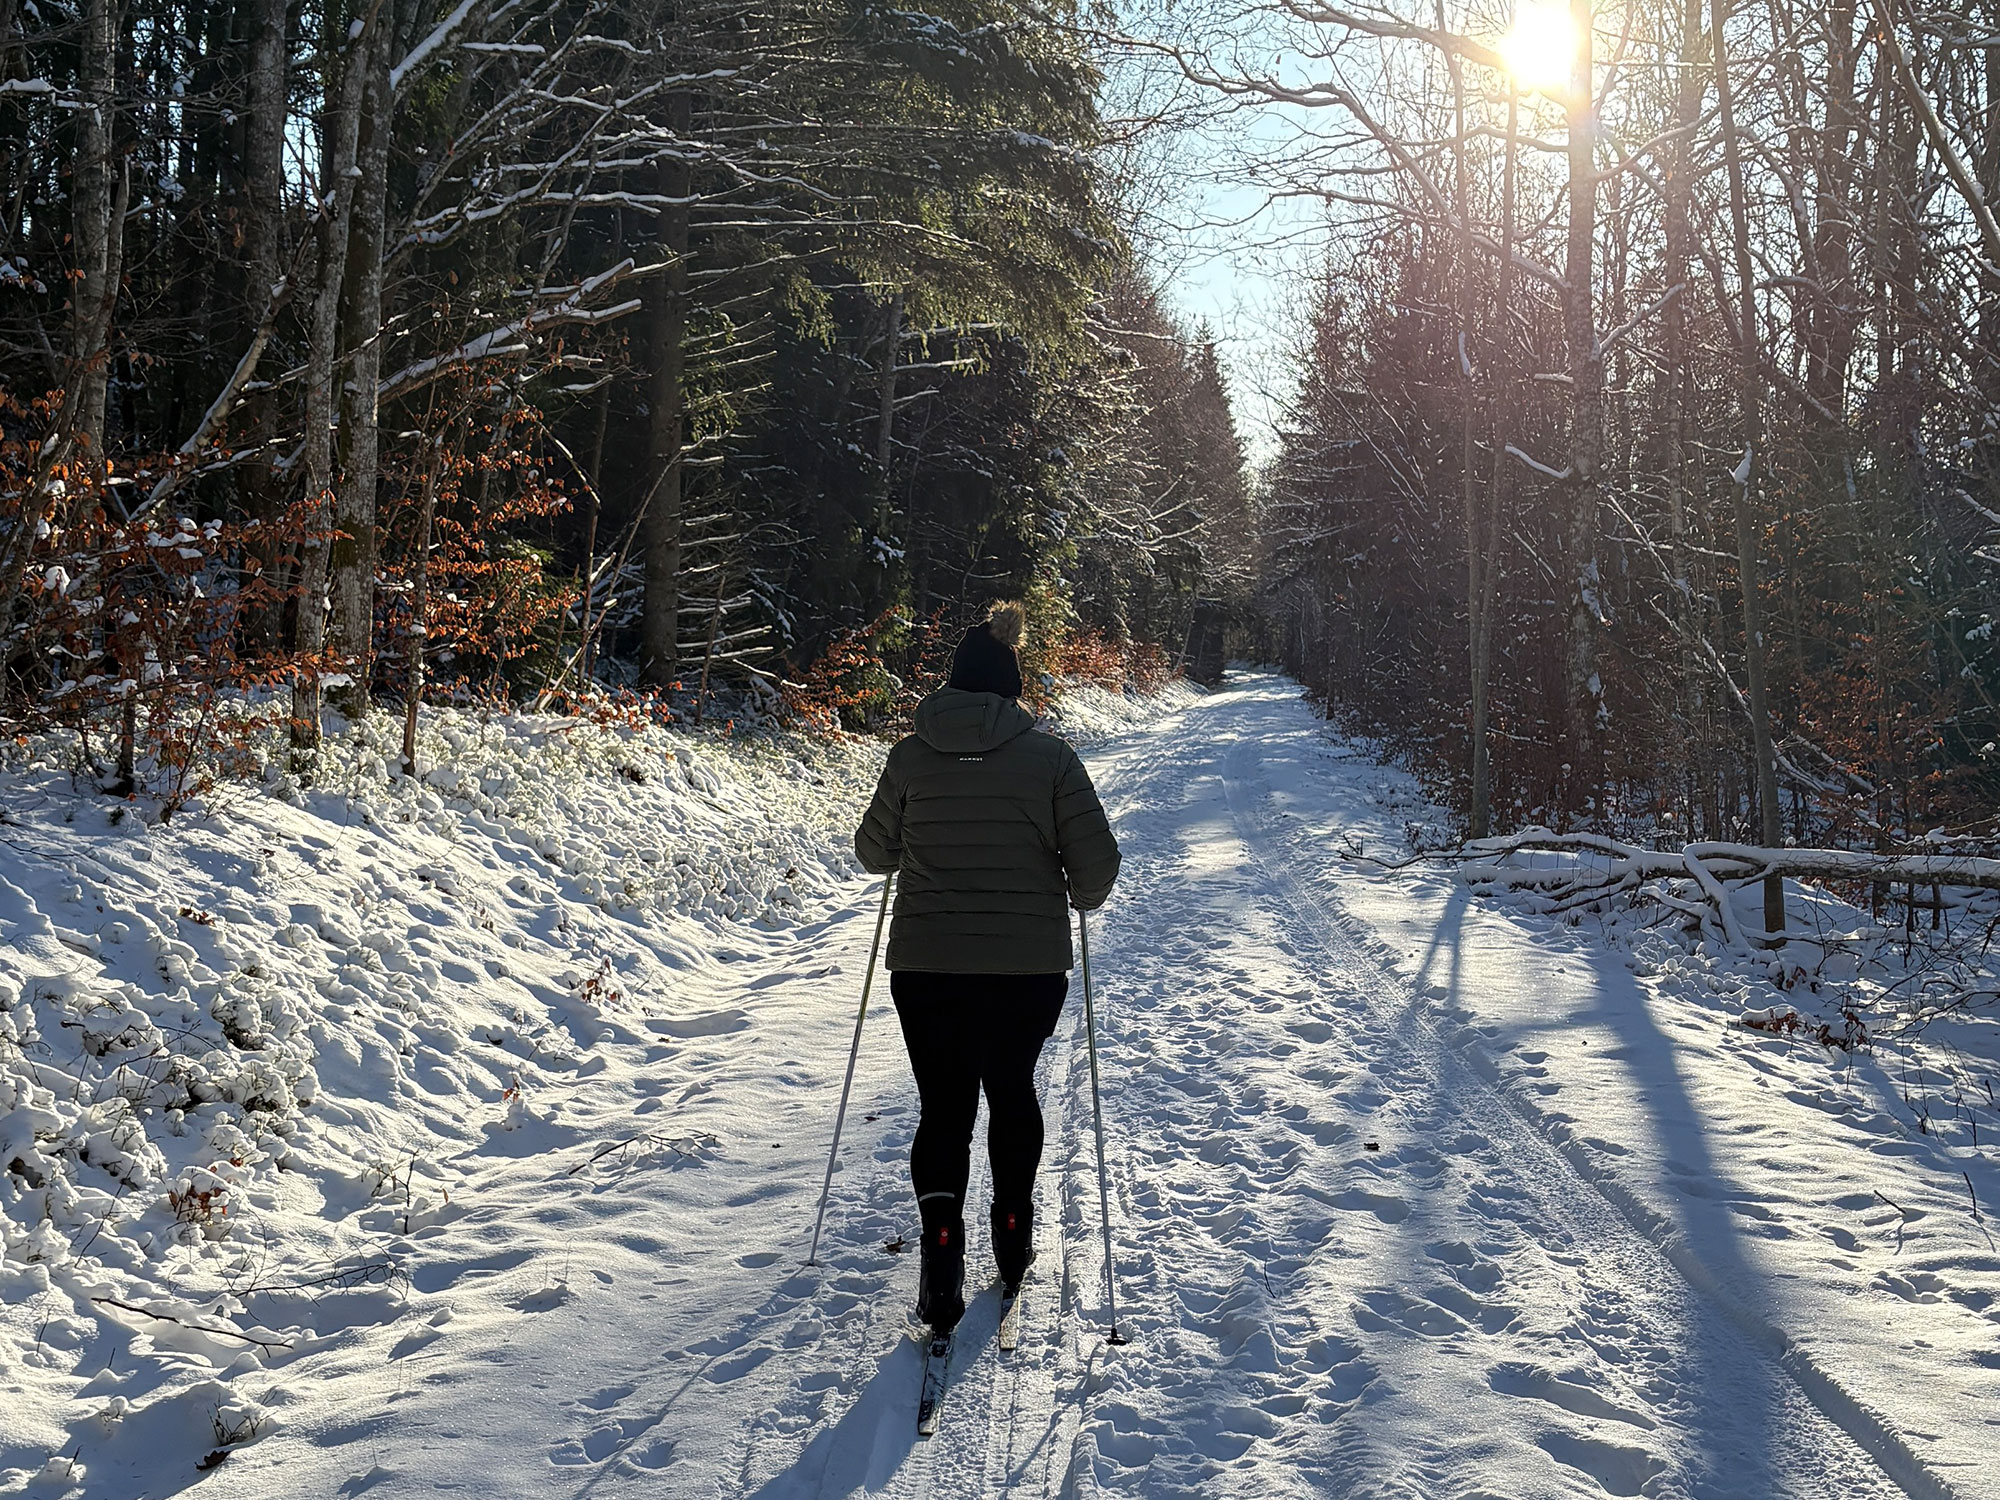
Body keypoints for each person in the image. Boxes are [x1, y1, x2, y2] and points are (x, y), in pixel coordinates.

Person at [853, 601, 1121, 1332]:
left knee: (943, 1105)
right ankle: (1011, 1233)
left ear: (951, 687)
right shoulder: (1053, 758)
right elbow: (1097, 873)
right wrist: (1065, 883)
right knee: (1011, 1089)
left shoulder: (911, 755)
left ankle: (941, 1261)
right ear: (1011, 690)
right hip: (1026, 971)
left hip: (927, 967)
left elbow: (873, 853)